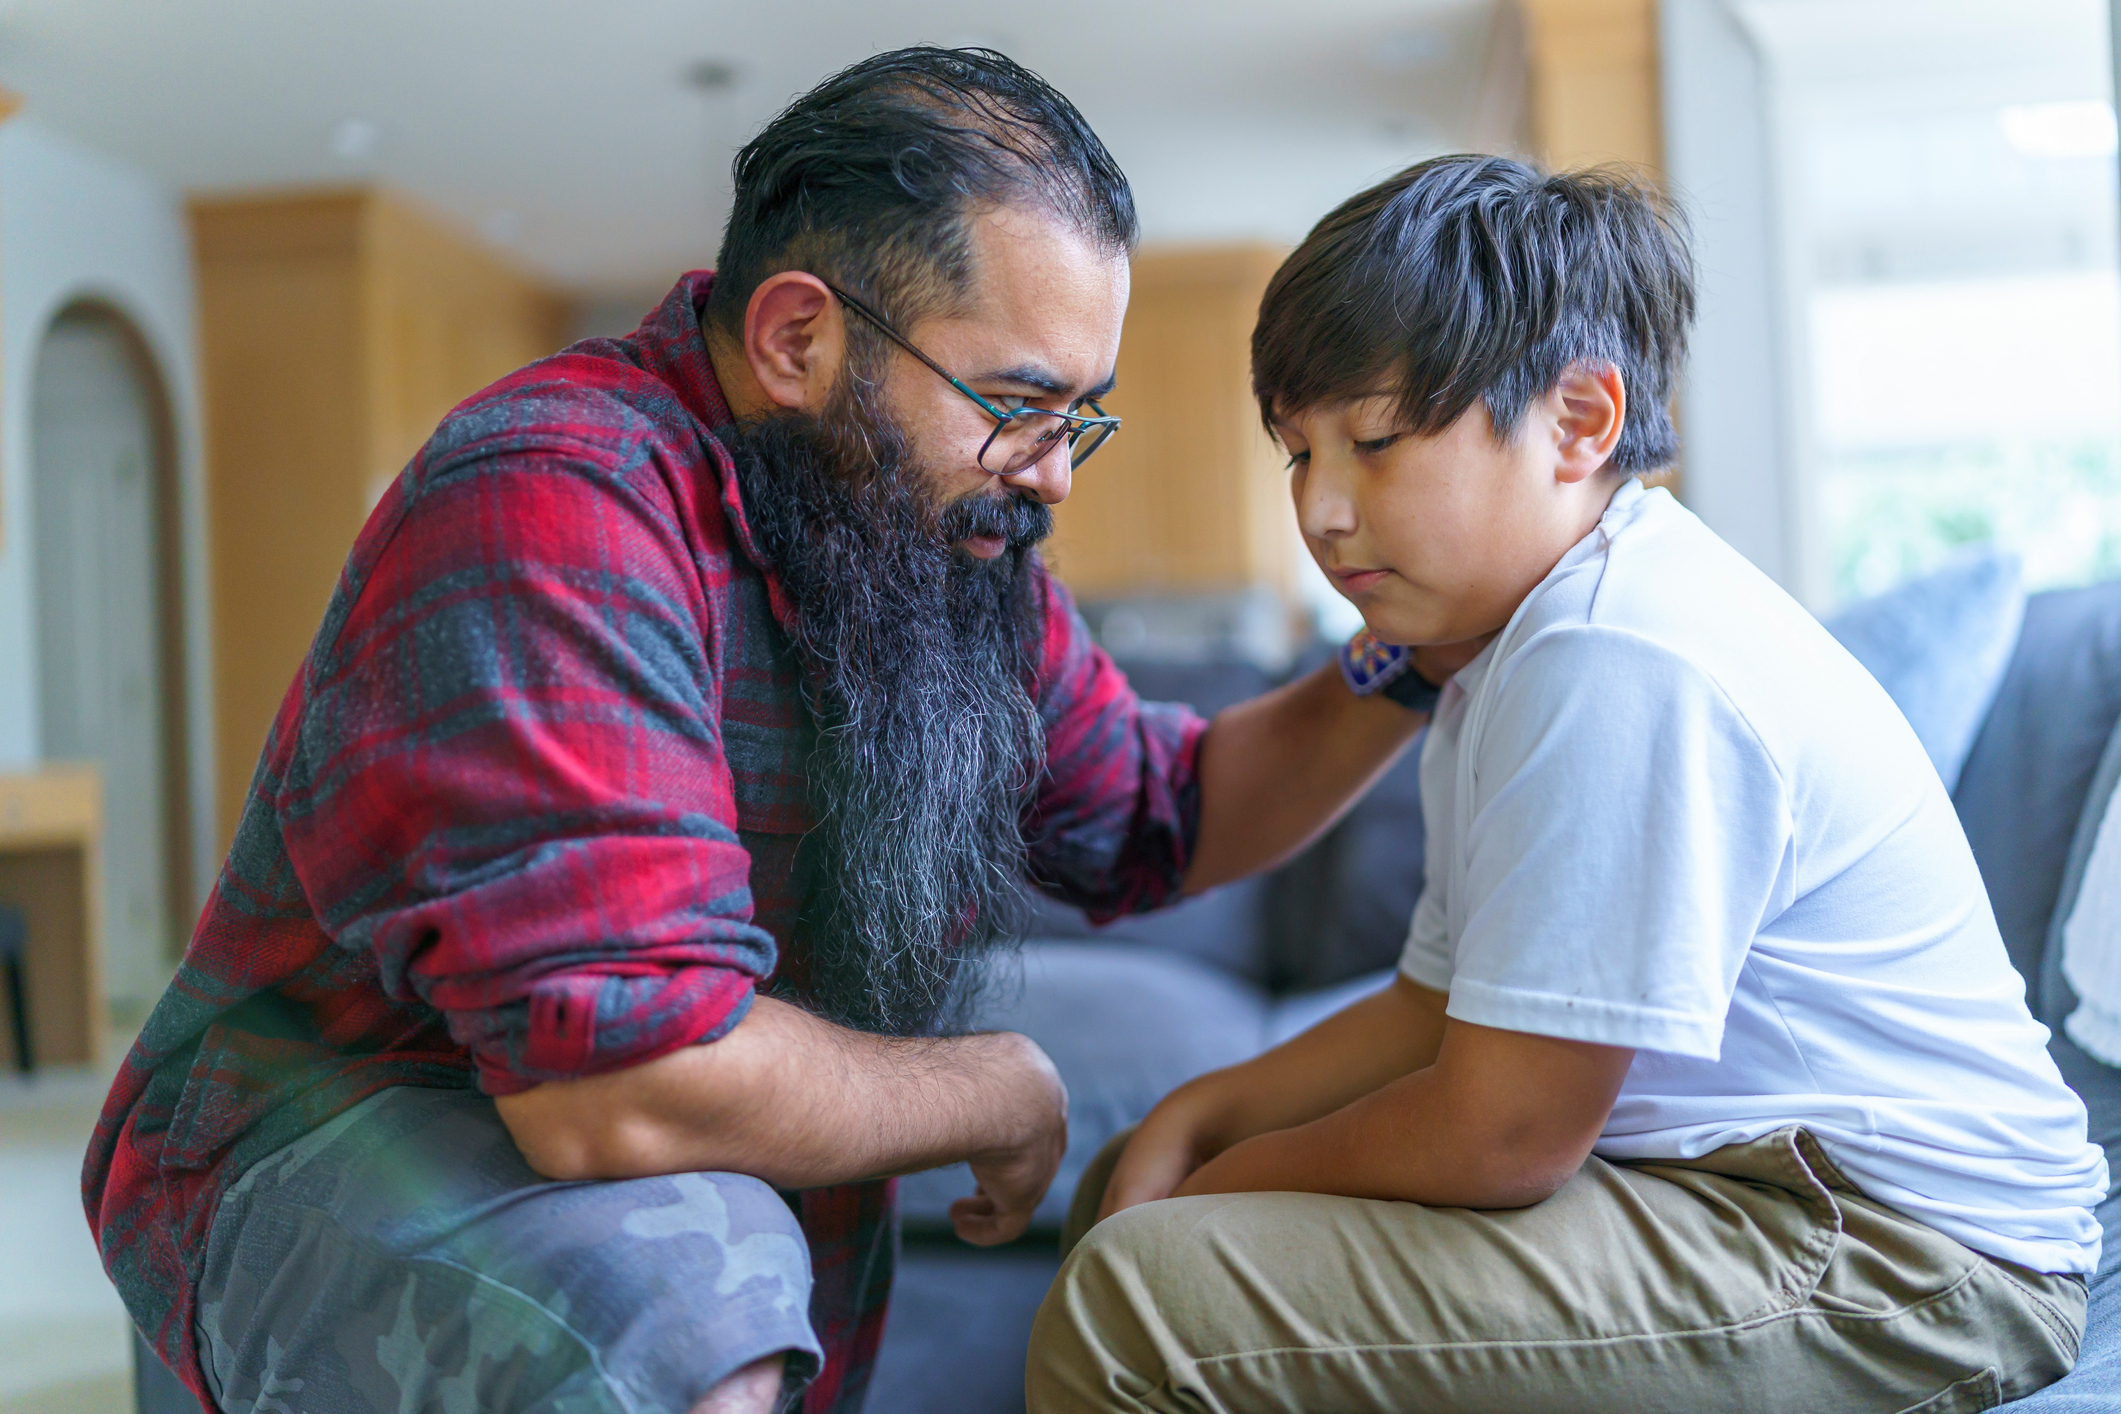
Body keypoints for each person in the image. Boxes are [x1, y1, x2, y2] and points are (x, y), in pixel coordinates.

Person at [84, 49, 1451, 1414]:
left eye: (1072, 419)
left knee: (722, 1267)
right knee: (687, 1303)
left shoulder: (939, 544)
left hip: (659, 1170)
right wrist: (996, 1087)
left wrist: (1418, 645)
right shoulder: (555, 501)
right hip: (332, 1143)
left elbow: (1168, 806)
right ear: (799, 339)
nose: (1051, 473)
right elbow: (620, 1082)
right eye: (1016, 406)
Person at [1026, 155, 2110, 1413]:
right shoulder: (1499, 656)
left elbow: (1506, 1132)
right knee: (1134, 1179)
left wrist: (1227, 1180)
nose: (1321, 511)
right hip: (1747, 1192)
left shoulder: (1618, 651)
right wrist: (1203, 1114)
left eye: (1372, 443)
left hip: (1903, 1250)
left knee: (1144, 1294)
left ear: (1581, 422)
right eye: (1297, 453)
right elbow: (1434, 1008)